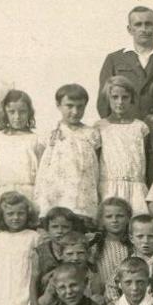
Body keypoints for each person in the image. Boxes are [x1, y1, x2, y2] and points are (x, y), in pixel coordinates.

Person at [97, 6, 153, 120]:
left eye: (148, 24)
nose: (143, 29)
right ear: (129, 29)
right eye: (138, 24)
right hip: (125, 126)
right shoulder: (114, 59)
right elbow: (104, 100)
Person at [34, 84, 101, 223]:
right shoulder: (49, 132)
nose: (75, 111)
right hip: (54, 195)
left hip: (82, 197)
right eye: (69, 106)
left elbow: (97, 166)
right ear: (58, 105)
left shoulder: (91, 133)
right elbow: (41, 165)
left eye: (80, 106)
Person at [97, 76, 150, 215]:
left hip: (136, 187)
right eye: (114, 97)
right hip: (109, 187)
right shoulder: (100, 127)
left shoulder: (140, 127)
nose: (120, 102)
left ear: (131, 99)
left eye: (125, 97)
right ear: (107, 99)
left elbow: (147, 159)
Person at [0, 89, 39, 206]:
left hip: (29, 193)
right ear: (5, 113)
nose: (17, 116)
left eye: (22, 112)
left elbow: (42, 172)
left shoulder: (36, 140)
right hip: (3, 192)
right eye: (12, 112)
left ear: (29, 113)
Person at [106, 214, 153, 301]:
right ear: (131, 238)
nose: (145, 241)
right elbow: (111, 285)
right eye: (140, 236)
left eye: (150, 236)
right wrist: (117, 303)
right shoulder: (125, 262)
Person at [31, 207, 81, 302]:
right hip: (48, 300)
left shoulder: (76, 250)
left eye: (65, 227)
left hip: (73, 296)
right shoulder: (40, 252)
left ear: (72, 229)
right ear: (47, 229)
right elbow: (33, 283)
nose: (60, 231)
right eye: (55, 227)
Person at [90, 197, 133, 303]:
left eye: (120, 216)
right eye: (109, 217)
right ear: (102, 220)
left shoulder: (133, 245)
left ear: (128, 218)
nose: (114, 220)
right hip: (101, 298)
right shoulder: (95, 246)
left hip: (127, 296)